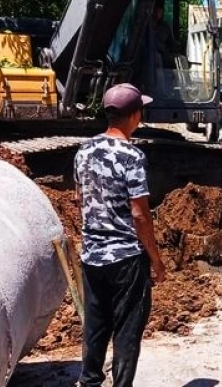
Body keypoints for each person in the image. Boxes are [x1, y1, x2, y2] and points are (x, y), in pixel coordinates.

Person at [75, 83, 167, 387]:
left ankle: (89, 382)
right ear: (135, 114)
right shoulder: (132, 155)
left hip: (92, 256)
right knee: (127, 329)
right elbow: (140, 214)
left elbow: (81, 200)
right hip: (126, 258)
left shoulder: (83, 151)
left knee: (96, 324)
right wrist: (156, 260)